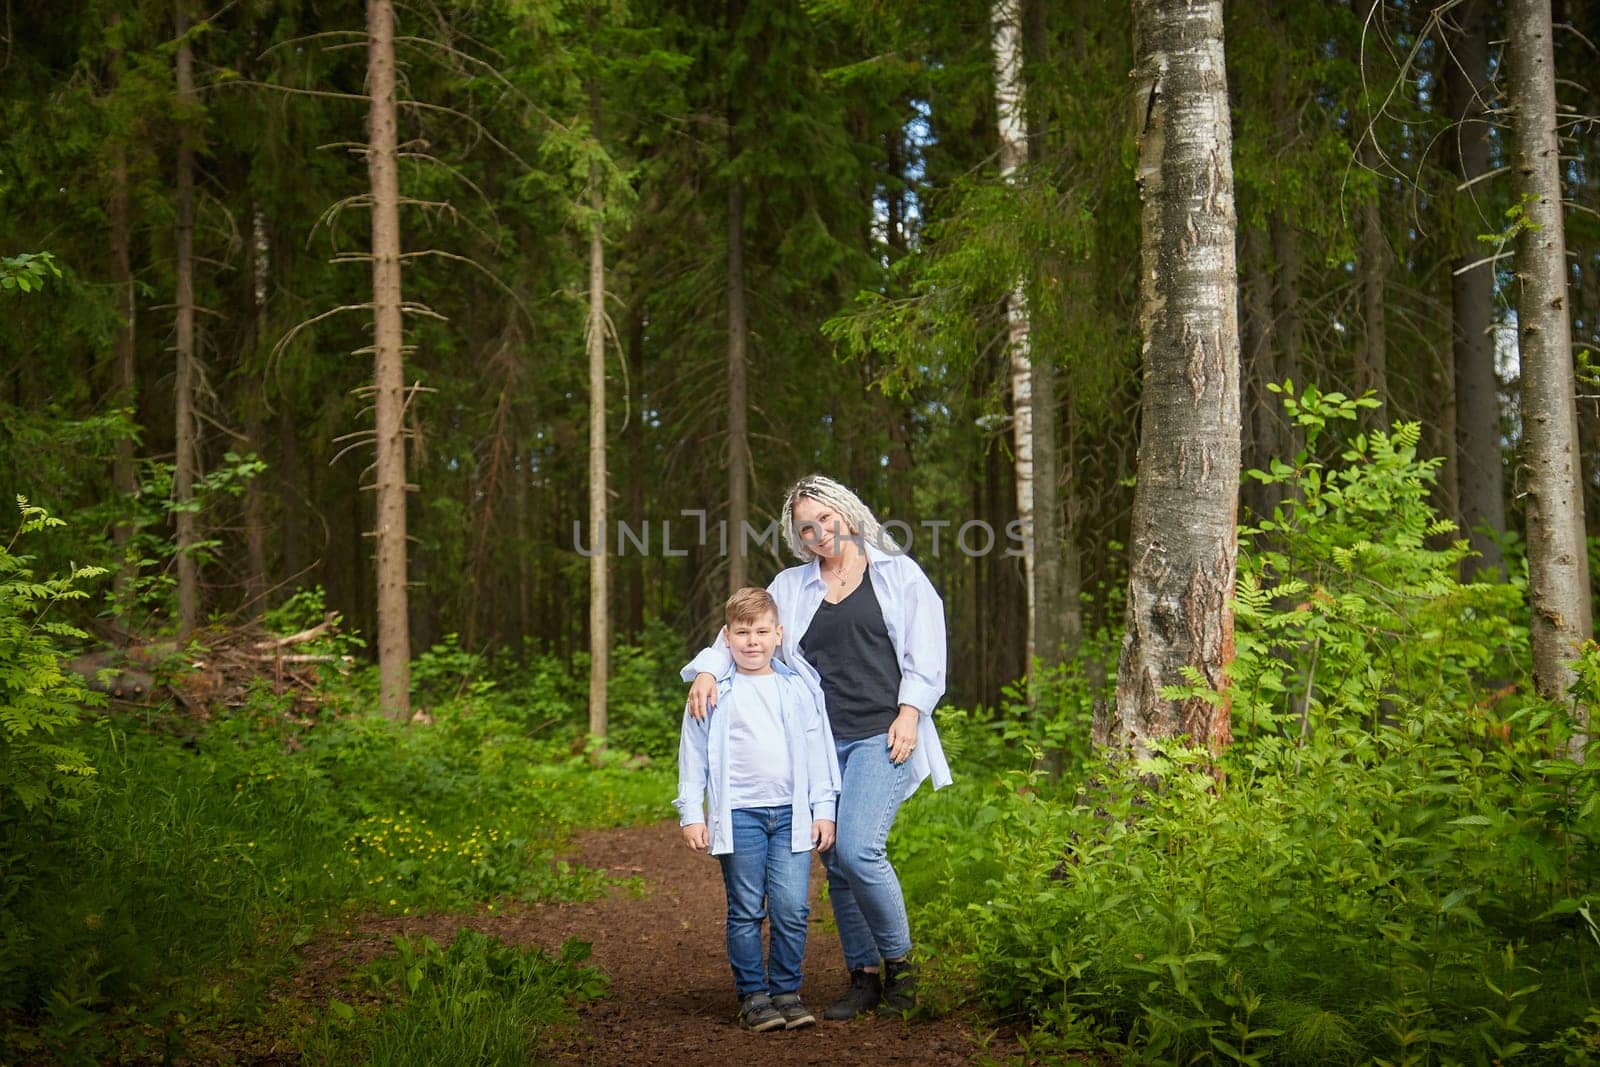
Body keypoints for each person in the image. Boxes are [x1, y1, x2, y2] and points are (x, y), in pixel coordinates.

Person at [683, 474, 951, 1020]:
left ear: (847, 514)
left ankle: (901, 967)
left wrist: (910, 713)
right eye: (806, 527)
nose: (818, 534)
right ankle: (864, 975)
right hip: (820, 744)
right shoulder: (790, 585)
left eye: (825, 520)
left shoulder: (898, 574)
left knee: (857, 849)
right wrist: (708, 673)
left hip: (885, 734)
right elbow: (741, 632)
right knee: (831, 857)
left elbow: (928, 650)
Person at [674, 586, 840, 1032]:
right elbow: (692, 756)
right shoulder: (712, 691)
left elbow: (818, 752)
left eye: (762, 632)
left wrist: (823, 808)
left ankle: (786, 990)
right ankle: (754, 996)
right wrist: (692, 812)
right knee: (746, 908)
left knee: (792, 908)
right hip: (740, 815)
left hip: (792, 814)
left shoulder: (797, 689)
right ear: (726, 637)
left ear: (778, 634)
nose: (753, 641)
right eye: (743, 632)